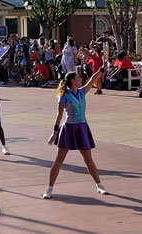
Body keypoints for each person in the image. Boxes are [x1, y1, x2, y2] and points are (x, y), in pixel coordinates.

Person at [43, 68, 108, 199]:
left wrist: (101, 71)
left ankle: (99, 185)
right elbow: (59, 115)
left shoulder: (82, 92)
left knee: (88, 160)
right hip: (68, 129)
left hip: (82, 128)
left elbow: (92, 80)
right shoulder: (64, 96)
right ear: (73, 81)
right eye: (78, 77)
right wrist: (54, 133)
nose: (81, 79)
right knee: (59, 161)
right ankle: (49, 189)